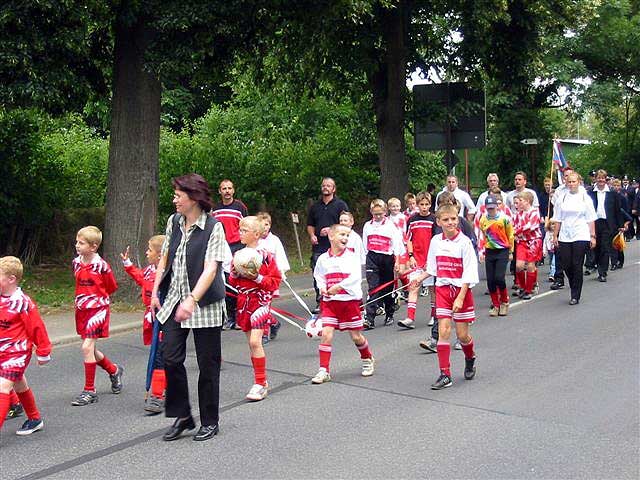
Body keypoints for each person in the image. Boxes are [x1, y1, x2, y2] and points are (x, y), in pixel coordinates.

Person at [151, 173, 227, 442]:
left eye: (177, 196)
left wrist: (192, 300)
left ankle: (209, 420)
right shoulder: (174, 221)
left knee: (208, 365)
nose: (174, 200)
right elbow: (165, 257)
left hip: (203, 303)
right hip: (174, 299)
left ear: (193, 197)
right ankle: (183, 416)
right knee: (170, 358)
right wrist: (155, 289)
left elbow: (211, 269)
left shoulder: (213, 227)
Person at [411, 204, 479, 390]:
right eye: (446, 220)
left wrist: (460, 297)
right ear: (439, 222)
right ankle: (445, 374)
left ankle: (470, 357)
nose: (450, 223)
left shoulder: (464, 242)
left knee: (463, 335)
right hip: (442, 289)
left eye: (453, 219)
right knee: (444, 331)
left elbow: (470, 272)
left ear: (458, 219)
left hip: (460, 291)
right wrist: (420, 278)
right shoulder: (435, 241)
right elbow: (432, 267)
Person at [311, 224, 375, 384]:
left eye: (347, 235)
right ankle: (323, 370)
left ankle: (367, 358)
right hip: (331, 304)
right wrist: (323, 287)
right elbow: (318, 275)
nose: (345, 238)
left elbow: (354, 277)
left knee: (356, 336)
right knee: (326, 334)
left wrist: (339, 287)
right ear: (331, 236)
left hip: (349, 302)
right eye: (342, 234)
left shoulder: (352, 257)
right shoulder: (323, 259)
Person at [229, 216, 282, 401]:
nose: (240, 233)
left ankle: (260, 383)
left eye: (244, 231)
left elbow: (275, 281)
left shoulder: (265, 255)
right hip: (244, 301)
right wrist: (235, 273)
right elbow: (233, 281)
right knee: (251, 344)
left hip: (260, 301)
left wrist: (257, 278)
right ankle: (261, 381)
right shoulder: (238, 254)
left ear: (256, 234)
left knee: (255, 342)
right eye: (240, 230)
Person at [71, 226, 123, 406]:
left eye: (81, 243)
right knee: (90, 350)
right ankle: (114, 370)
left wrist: (96, 299)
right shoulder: (76, 262)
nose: (77, 245)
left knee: (86, 348)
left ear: (93, 247)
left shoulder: (102, 266)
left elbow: (111, 287)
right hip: (82, 309)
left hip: (98, 309)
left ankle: (89, 390)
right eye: (77, 242)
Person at [0, 256, 52, 436]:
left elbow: (37, 328)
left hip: (17, 353)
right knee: (19, 385)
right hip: (2, 352)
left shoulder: (22, 302)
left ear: (11, 279)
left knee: (3, 387)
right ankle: (34, 419)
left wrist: (43, 351)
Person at [120, 235, 167, 414]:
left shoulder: (166, 274)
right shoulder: (149, 271)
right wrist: (128, 265)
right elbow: (141, 279)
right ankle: (161, 388)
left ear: (160, 255)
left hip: (163, 319)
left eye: (149, 250)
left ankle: (157, 394)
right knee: (158, 355)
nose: (146, 253)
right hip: (151, 317)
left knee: (160, 356)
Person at [552, 172, 597, 305]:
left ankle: (575, 294)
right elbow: (558, 218)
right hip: (565, 234)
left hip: (581, 234)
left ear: (579, 182)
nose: (571, 184)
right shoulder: (562, 197)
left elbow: (591, 218)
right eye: (569, 182)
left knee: (577, 264)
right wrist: (555, 235)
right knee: (566, 264)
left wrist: (592, 236)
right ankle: (574, 284)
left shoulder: (585, 198)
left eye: (574, 182)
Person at [306, 178, 349, 312]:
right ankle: (321, 300)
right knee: (318, 274)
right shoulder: (315, 206)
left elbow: (345, 223)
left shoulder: (340, 205)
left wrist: (331, 230)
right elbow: (310, 225)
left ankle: (340, 298)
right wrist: (312, 235)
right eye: (324, 185)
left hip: (335, 246)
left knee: (337, 272)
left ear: (334, 189)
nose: (325, 188)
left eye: (328, 186)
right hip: (319, 247)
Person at [212, 179, 248, 331]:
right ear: (219, 191)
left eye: (229, 188)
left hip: (237, 247)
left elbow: (247, 225)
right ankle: (228, 317)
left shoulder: (240, 207)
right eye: (224, 188)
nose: (227, 191)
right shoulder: (215, 208)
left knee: (238, 283)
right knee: (224, 283)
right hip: (221, 248)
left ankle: (240, 317)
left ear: (233, 191)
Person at [362, 199, 404, 329]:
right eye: (375, 214)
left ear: (385, 212)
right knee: (373, 288)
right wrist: (366, 260)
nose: (378, 216)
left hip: (387, 258)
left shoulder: (390, 225)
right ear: (371, 213)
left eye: (380, 213)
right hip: (372, 258)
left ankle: (389, 312)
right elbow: (365, 244)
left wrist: (397, 261)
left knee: (386, 288)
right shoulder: (367, 225)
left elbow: (397, 244)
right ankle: (369, 318)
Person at [398, 192, 436, 329]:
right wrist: (411, 256)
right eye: (421, 204)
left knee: (433, 289)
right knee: (413, 286)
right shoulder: (412, 220)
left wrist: (431, 260)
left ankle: (434, 315)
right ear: (417, 205)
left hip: (429, 261)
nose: (424, 207)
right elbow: (408, 239)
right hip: (417, 259)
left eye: (427, 204)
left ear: (430, 205)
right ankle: (410, 318)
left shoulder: (434, 219)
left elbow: (436, 241)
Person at [256, 211, 290, 342]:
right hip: (257, 278)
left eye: (267, 224)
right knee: (259, 305)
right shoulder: (255, 240)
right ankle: (274, 323)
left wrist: (281, 273)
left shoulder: (274, 241)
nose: (265, 227)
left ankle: (264, 333)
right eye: (262, 224)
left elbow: (280, 258)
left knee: (264, 304)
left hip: (271, 278)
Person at [478, 195, 514, 316]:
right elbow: (482, 236)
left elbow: (510, 235)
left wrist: (510, 251)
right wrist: (482, 251)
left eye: (493, 208)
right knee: (491, 280)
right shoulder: (483, 219)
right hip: (490, 251)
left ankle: (504, 301)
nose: (491, 210)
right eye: (489, 208)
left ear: (497, 207)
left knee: (499, 278)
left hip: (502, 250)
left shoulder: (504, 219)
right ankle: (495, 304)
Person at [588, 170, 623, 282]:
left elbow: (618, 210)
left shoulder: (612, 193)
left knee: (604, 247)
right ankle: (599, 266)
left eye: (603, 178)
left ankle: (602, 272)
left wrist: (620, 225)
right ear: (596, 179)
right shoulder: (590, 193)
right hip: (595, 222)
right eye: (599, 178)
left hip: (608, 223)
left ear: (606, 179)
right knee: (596, 248)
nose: (601, 180)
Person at [512, 191, 542, 299]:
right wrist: (514, 233)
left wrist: (516, 232)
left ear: (527, 201)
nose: (518, 203)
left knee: (530, 265)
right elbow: (513, 226)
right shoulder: (517, 215)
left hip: (533, 241)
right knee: (519, 266)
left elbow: (530, 226)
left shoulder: (534, 212)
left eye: (521, 201)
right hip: (522, 241)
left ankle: (529, 289)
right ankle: (523, 287)